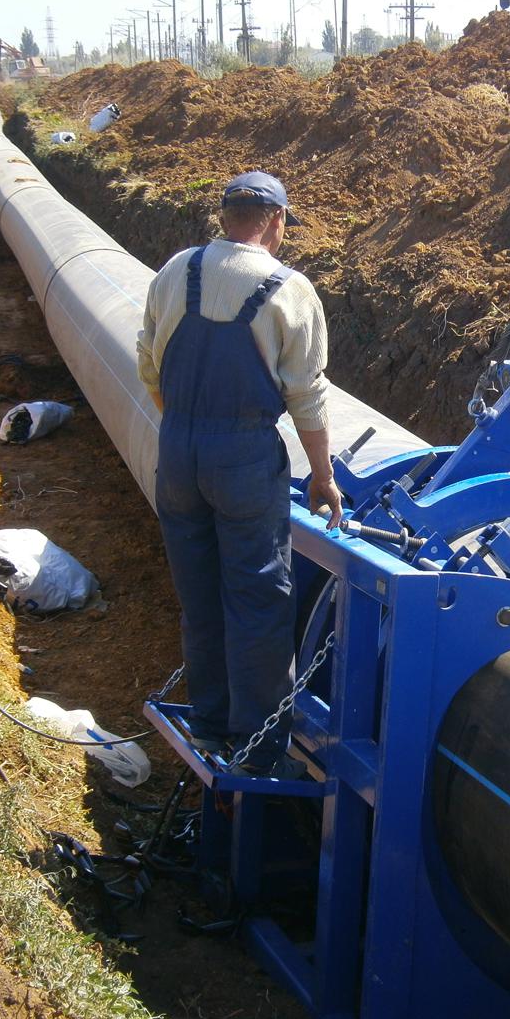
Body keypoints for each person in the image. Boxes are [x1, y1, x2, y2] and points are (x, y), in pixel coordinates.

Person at [137, 170, 343, 775]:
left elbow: (149, 362)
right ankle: (257, 749)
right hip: (245, 456)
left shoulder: (176, 270)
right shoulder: (289, 289)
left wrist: (185, 429)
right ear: (276, 221)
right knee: (256, 598)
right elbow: (307, 394)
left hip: (177, 448)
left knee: (200, 592)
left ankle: (209, 724)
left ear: (224, 217)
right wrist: (323, 476)